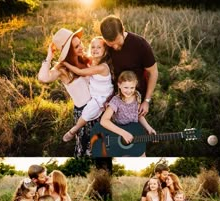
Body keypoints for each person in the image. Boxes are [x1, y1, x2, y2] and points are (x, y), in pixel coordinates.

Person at [38, 27, 94, 156]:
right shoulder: (62, 69)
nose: (81, 47)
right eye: (76, 47)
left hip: (98, 107)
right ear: (68, 51)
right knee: (86, 147)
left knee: (102, 144)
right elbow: (43, 78)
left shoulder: (86, 59)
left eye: (80, 43)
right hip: (83, 112)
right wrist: (49, 56)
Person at [100, 15, 158, 117]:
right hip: (115, 98)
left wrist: (146, 101)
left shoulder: (140, 45)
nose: (115, 47)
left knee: (136, 130)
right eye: (110, 44)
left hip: (136, 99)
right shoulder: (103, 45)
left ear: (123, 30)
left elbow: (153, 72)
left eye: (118, 42)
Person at [62, 36, 114, 142]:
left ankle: (73, 130)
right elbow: (85, 57)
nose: (95, 49)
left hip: (101, 97)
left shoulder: (102, 67)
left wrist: (65, 63)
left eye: (99, 47)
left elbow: (80, 72)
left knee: (87, 112)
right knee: (96, 115)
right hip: (97, 94)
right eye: (93, 47)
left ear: (105, 51)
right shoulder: (93, 61)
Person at [100, 71, 156, 155]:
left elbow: (138, 115)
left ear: (135, 85)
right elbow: (104, 121)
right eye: (126, 87)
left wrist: (149, 128)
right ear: (119, 85)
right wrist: (123, 133)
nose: (129, 91)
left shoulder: (137, 97)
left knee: (142, 155)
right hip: (119, 137)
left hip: (134, 134)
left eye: (132, 88)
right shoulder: (116, 101)